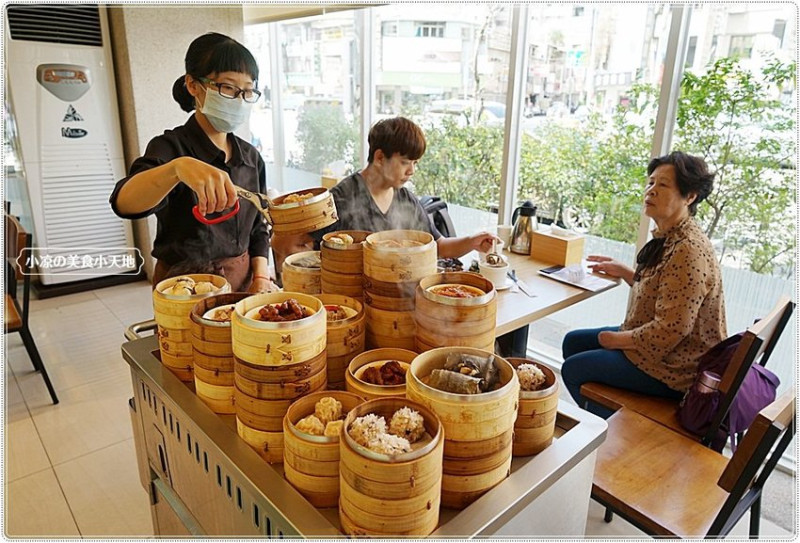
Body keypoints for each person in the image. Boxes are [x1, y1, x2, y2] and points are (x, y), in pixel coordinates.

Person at [560, 151, 727, 417]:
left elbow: (671, 330)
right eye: (650, 183)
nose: (651, 191)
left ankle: (615, 436)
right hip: (663, 347)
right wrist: (628, 273)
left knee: (574, 368)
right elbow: (666, 293)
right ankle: (607, 420)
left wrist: (615, 340)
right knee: (573, 342)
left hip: (675, 367)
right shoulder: (672, 235)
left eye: (663, 185)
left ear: (690, 196)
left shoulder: (688, 250)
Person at [110, 33, 277, 293]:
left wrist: (261, 278)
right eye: (228, 87)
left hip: (242, 282)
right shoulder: (170, 147)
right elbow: (124, 203)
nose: (238, 99)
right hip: (183, 288)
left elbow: (258, 227)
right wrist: (177, 169)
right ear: (193, 85)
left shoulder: (250, 157)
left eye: (246, 90)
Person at [272, 117, 497, 263]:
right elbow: (286, 245)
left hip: (396, 298)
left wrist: (472, 241)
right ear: (380, 157)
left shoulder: (406, 199)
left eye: (415, 163)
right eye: (405, 162)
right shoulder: (341, 198)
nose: (412, 171)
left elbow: (437, 246)